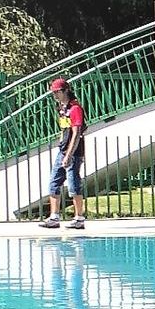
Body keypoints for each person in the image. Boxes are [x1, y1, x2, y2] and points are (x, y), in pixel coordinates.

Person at [38, 78, 87, 229]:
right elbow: (64, 130)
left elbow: (77, 132)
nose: (55, 95)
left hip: (73, 152)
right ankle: (54, 217)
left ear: (65, 91)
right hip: (63, 150)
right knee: (54, 182)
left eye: (57, 92)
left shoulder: (75, 108)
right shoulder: (62, 108)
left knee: (73, 185)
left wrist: (69, 155)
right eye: (53, 93)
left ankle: (79, 218)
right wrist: (61, 146)